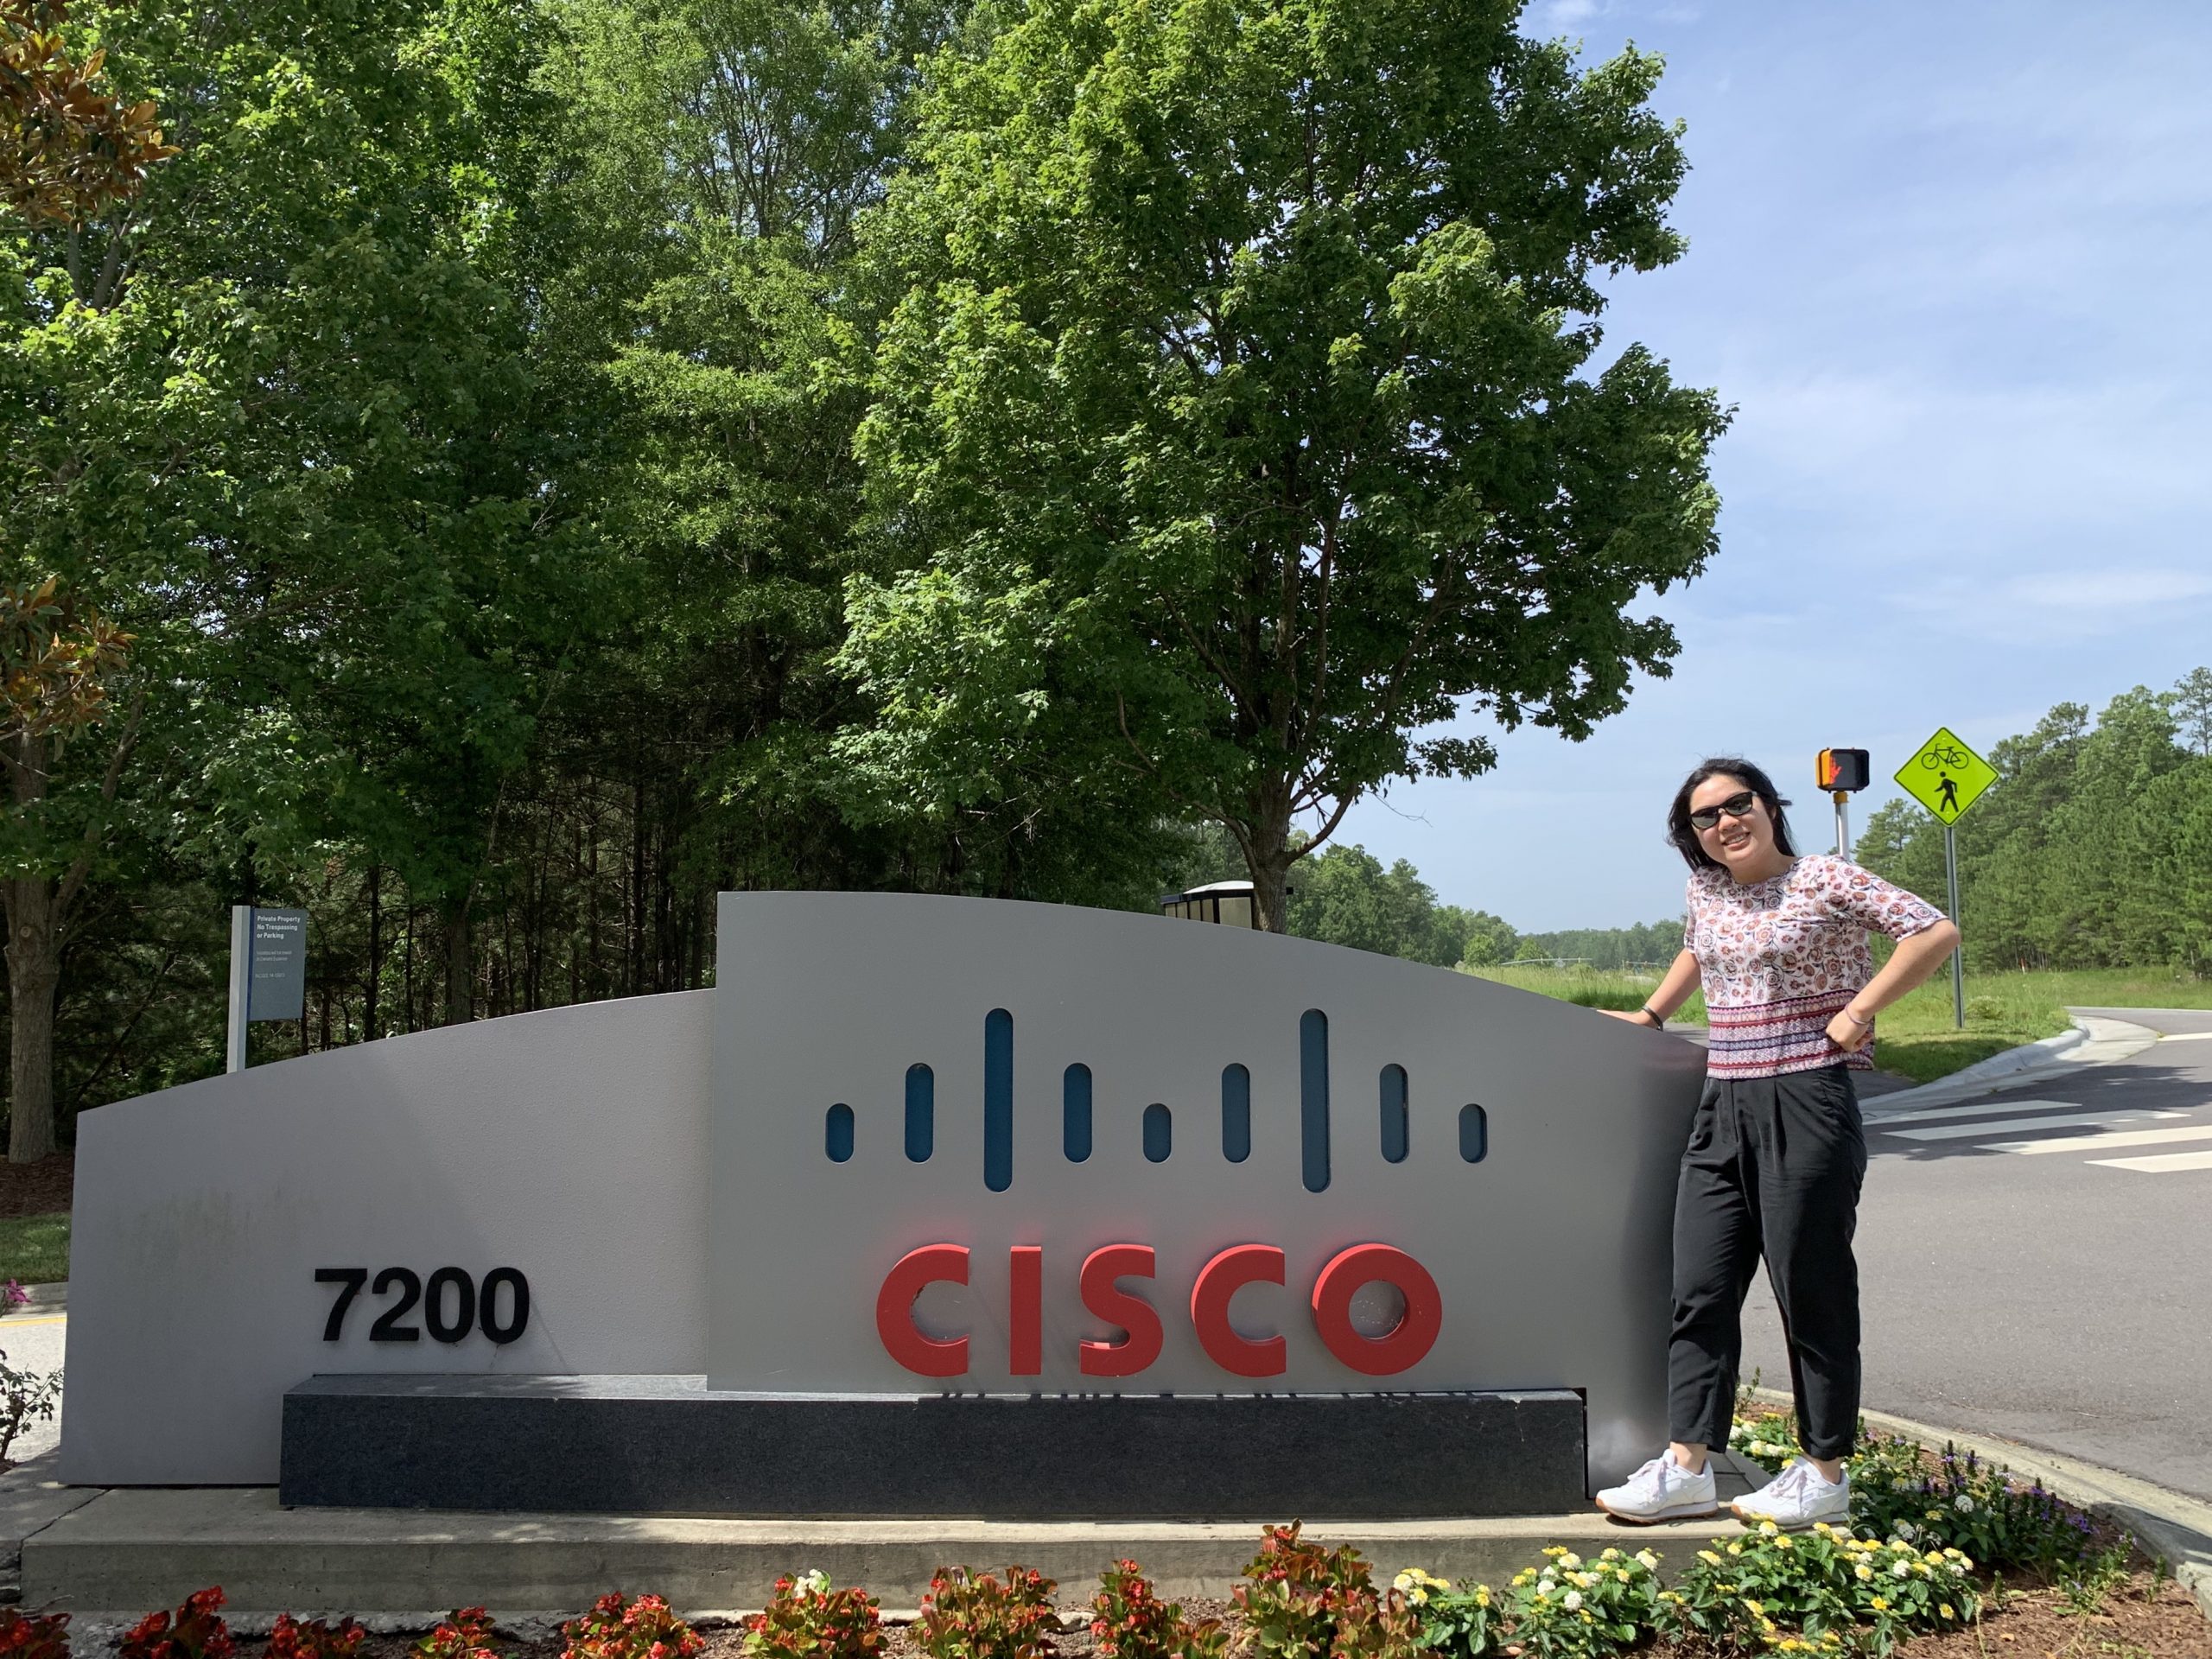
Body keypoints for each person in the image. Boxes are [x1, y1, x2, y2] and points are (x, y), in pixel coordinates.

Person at [1592, 758, 1961, 1529]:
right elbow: (1700, 948)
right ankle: (1689, 1465)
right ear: (1691, 836)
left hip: (1807, 1098)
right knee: (1700, 1286)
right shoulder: (1707, 891)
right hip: (1722, 1100)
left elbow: (1933, 932)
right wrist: (1652, 1016)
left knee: (1811, 1288)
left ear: (1767, 806)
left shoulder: (1825, 879)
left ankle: (1823, 1472)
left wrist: (1859, 1011)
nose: (1726, 822)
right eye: (1705, 817)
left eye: (1738, 803)